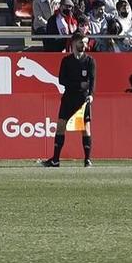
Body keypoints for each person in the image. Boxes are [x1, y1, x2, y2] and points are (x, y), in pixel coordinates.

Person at [40, 32, 96, 168]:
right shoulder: (66, 60)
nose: (84, 45)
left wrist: (91, 94)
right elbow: (61, 80)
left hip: (83, 99)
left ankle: (87, 160)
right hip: (69, 97)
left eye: (85, 42)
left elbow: (92, 80)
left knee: (85, 128)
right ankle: (55, 159)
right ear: (74, 43)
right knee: (60, 127)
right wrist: (78, 84)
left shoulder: (90, 61)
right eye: (81, 42)